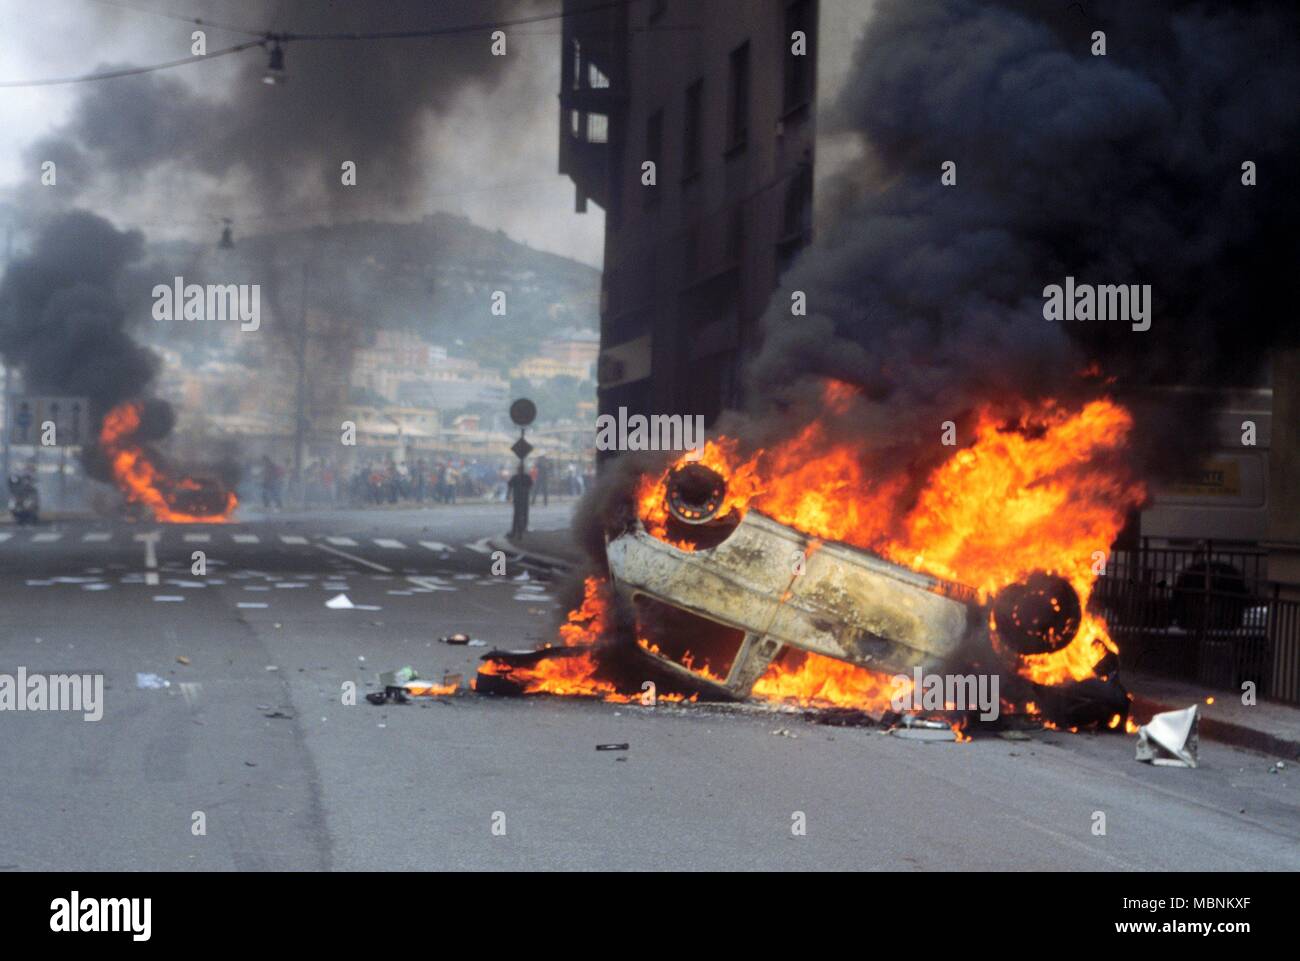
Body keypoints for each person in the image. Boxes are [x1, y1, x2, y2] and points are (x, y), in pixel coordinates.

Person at [507, 465, 532, 538]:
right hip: (524, 498)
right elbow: (530, 485)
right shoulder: (526, 477)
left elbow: (510, 486)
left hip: (518, 498)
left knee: (517, 515)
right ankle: (522, 529)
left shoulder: (515, 477)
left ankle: (516, 531)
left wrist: (508, 495)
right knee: (524, 513)